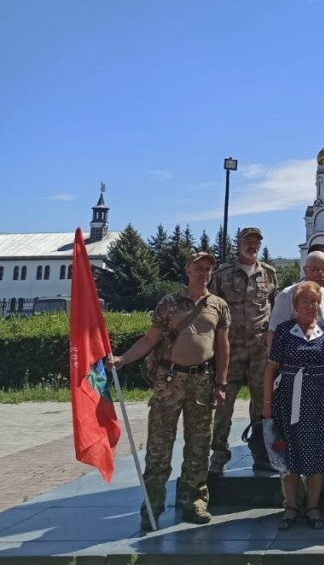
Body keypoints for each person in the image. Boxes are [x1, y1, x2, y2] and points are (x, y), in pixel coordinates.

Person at [106, 251, 230, 530]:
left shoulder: (218, 305)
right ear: (187, 270)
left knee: (199, 445)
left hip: (202, 382)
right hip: (169, 381)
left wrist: (221, 384)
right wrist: (122, 359)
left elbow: (223, 347)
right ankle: (153, 504)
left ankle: (193, 501)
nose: (204, 273)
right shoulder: (170, 303)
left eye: (208, 269)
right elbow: (150, 339)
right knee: (159, 446)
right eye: (199, 267)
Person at [263, 281, 324, 530]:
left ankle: (313, 507)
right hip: (288, 400)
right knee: (288, 453)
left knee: (317, 455)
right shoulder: (285, 331)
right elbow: (270, 368)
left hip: (319, 401)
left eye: (315, 301)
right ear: (296, 305)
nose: (310, 305)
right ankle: (290, 506)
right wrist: (267, 403)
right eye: (305, 301)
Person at [210, 227, 278, 475]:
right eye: (247, 241)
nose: (252, 245)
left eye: (256, 242)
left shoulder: (269, 274)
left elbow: (274, 309)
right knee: (224, 402)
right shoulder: (223, 274)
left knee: (262, 404)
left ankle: (261, 454)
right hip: (232, 347)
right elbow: (213, 308)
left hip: (260, 350)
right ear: (238, 244)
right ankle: (218, 456)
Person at [267, 251, 324, 347]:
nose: (321, 274)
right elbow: (273, 334)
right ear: (305, 270)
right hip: (293, 359)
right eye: (316, 270)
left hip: (322, 359)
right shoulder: (287, 295)